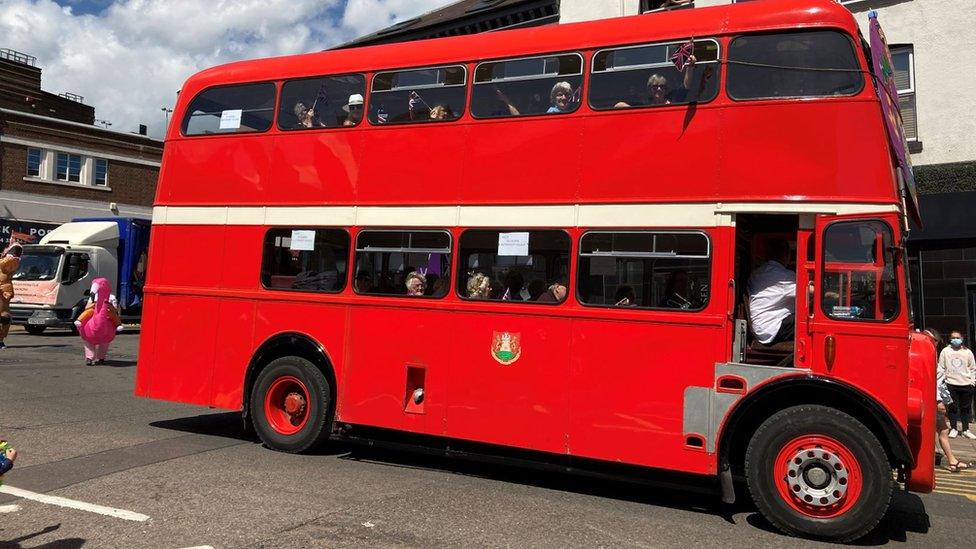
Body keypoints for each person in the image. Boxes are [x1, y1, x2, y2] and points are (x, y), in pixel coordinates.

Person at [926, 329, 969, 471]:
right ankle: (949, 461)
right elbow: (932, 382)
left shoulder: (931, 355)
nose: (935, 346)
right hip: (933, 401)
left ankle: (949, 459)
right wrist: (939, 401)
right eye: (934, 343)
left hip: (936, 399)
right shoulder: (928, 356)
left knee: (941, 431)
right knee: (941, 430)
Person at [747, 239, 796, 345]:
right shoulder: (785, 276)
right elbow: (811, 291)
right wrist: (832, 294)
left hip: (760, 327)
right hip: (773, 328)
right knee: (810, 319)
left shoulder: (757, 273)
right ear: (787, 256)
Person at [614, 54, 697, 108]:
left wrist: (690, 67)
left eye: (662, 86)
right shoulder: (645, 103)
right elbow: (619, 105)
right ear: (649, 89)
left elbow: (686, 85)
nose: (659, 89)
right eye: (655, 87)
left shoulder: (674, 98)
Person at [75, 277, 123, 366]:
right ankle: (89, 357)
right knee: (88, 313)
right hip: (94, 309)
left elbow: (115, 307)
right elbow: (88, 305)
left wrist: (111, 305)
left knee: (111, 316)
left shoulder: (111, 297)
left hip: (106, 311)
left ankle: (101, 357)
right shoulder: (93, 296)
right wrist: (93, 301)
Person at [938, 330, 976, 439]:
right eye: (953, 337)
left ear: (962, 338)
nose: (955, 339)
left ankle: (965, 429)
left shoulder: (967, 352)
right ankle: (953, 428)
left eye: (958, 337)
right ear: (950, 339)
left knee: (965, 408)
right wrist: (944, 381)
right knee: (952, 407)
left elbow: (973, 368)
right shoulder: (946, 351)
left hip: (966, 383)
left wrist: (972, 382)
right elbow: (941, 367)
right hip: (951, 383)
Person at [0, 243, 23, 350]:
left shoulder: (9, 262)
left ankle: (0, 340)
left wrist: (11, 252)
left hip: (3, 293)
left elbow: (12, 261)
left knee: (5, 317)